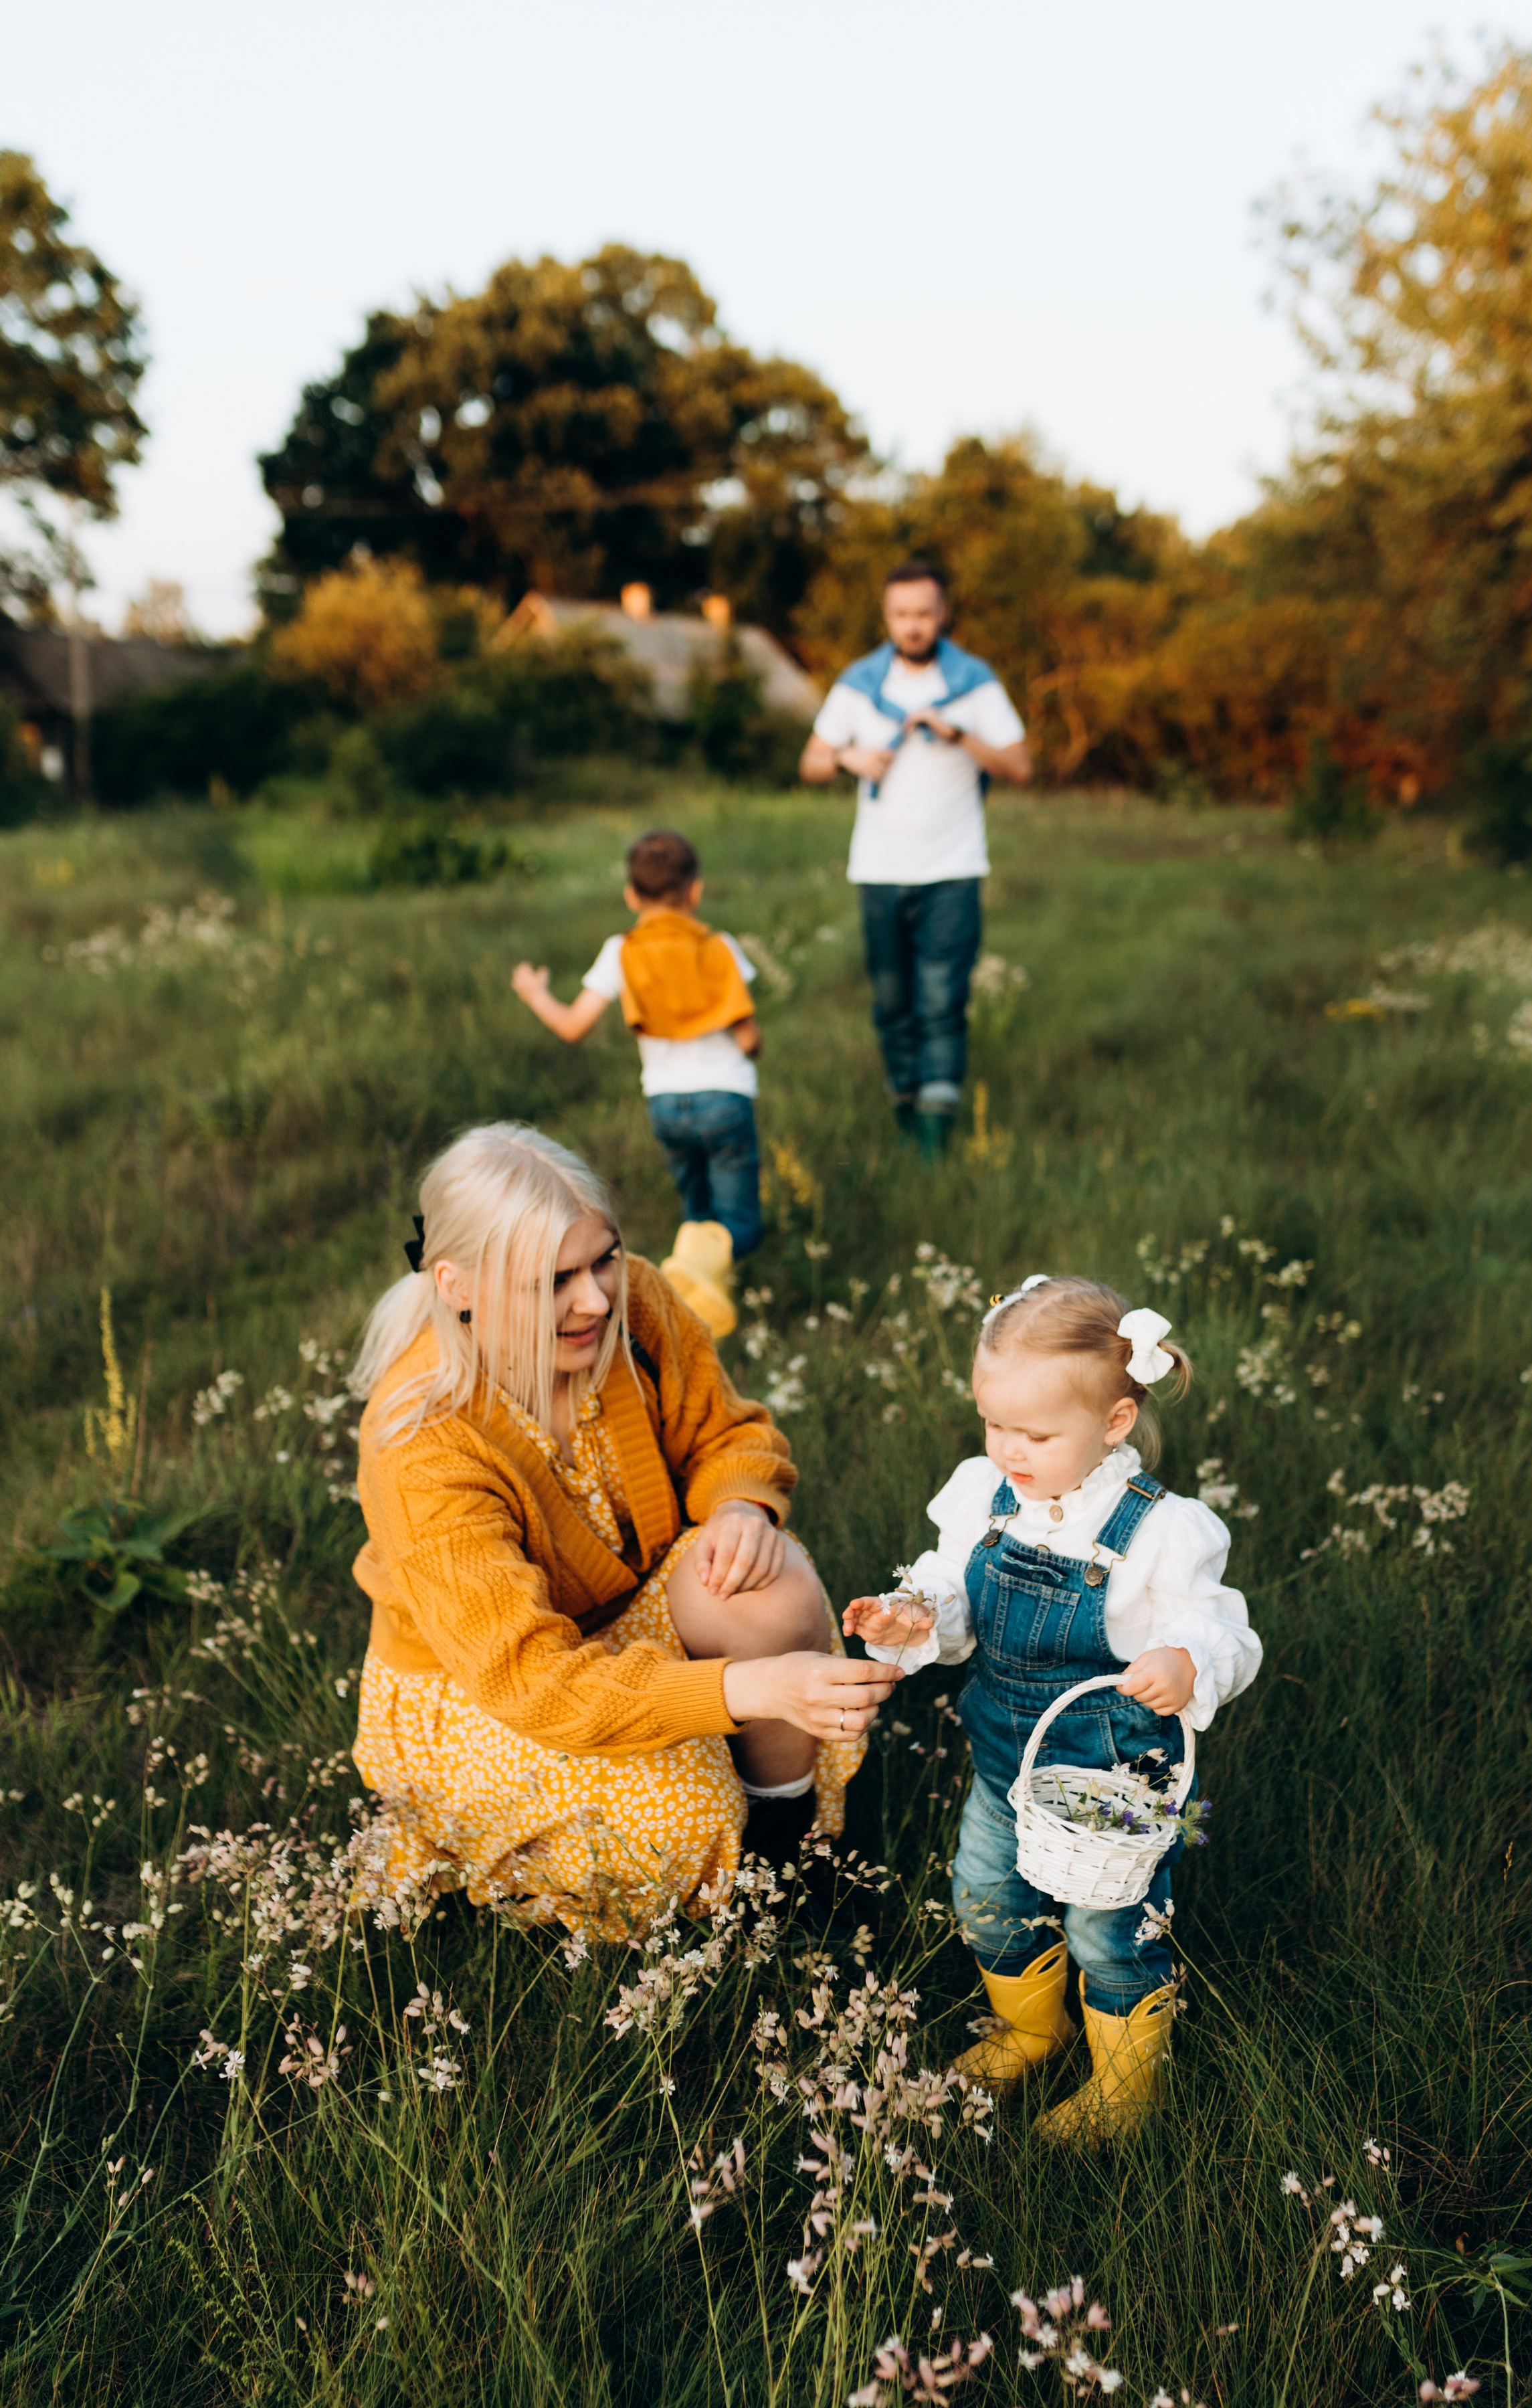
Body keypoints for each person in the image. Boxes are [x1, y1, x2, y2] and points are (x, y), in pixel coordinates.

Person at [348, 1122, 896, 1929]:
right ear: (457, 1284)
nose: (596, 1298)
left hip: (624, 1608)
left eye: (603, 1257)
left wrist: (741, 1504)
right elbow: (530, 1682)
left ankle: (784, 1851)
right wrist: (752, 1687)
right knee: (681, 1820)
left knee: (769, 1581)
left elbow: (726, 1432)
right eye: (553, 1278)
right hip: (494, 1687)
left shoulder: (635, 1304)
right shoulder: (422, 1446)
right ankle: (724, 1857)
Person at [844, 1275, 1260, 2144]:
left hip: (1113, 1780)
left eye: (1036, 1434)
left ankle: (1125, 2084)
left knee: (1109, 1929)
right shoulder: (984, 1497)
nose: (1010, 1450)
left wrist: (1185, 1662)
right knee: (984, 1895)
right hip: (1006, 1761)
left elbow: (1223, 1631)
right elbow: (955, 1597)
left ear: (1113, 1423)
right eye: (994, 1425)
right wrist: (913, 1614)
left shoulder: (1159, 1533)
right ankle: (1035, 2027)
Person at [799, 561, 1030, 1160]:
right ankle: (905, 1108)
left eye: (924, 614)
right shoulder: (858, 683)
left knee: (941, 1002)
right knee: (892, 1003)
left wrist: (958, 737)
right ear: (887, 617)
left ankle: (935, 1139)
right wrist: (849, 758)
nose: (913, 625)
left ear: (943, 613)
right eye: (902, 615)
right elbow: (811, 763)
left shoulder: (974, 682)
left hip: (952, 869)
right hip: (878, 870)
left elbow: (1019, 767)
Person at [512, 831, 760, 1339]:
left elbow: (573, 1027)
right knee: (742, 1225)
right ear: (695, 891)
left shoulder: (620, 949)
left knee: (698, 1215)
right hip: (726, 1097)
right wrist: (750, 1045)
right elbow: (750, 1038)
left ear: (631, 895)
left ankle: (705, 1303)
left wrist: (536, 993)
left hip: (666, 1105)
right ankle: (692, 1275)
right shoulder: (720, 946)